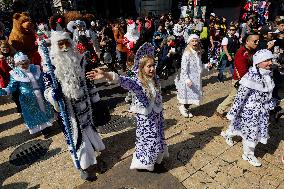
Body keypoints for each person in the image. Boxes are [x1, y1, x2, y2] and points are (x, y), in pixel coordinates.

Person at [86, 43, 169, 172]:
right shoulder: (137, 82)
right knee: (149, 140)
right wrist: (107, 75)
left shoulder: (155, 79)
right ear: (141, 68)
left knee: (158, 137)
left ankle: (155, 160)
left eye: (153, 65)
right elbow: (123, 80)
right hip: (146, 119)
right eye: (149, 66)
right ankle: (149, 164)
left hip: (156, 116)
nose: (152, 69)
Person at [42, 31, 105, 180]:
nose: (64, 47)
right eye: (60, 44)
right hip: (69, 111)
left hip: (85, 106)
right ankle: (84, 166)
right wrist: (52, 94)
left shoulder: (81, 59)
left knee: (90, 131)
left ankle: (95, 159)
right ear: (55, 47)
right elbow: (47, 89)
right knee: (77, 138)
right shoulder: (50, 66)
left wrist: (96, 99)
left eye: (66, 43)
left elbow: (88, 81)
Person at [221, 49, 276, 167]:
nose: (270, 63)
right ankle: (248, 154)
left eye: (270, 59)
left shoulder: (268, 74)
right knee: (251, 134)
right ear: (258, 62)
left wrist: (271, 104)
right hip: (250, 112)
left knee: (241, 128)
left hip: (262, 112)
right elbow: (240, 96)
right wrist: (233, 112)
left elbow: (268, 93)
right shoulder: (250, 76)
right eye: (266, 60)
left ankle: (228, 134)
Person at [0, 52, 55, 135]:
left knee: (45, 110)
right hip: (28, 98)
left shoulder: (35, 68)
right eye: (22, 64)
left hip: (41, 94)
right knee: (36, 114)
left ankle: (48, 126)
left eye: (26, 63)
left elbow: (43, 80)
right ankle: (43, 130)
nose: (25, 65)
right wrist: (5, 90)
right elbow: (12, 86)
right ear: (18, 64)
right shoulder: (15, 73)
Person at [215, 33, 259, 118]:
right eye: (255, 41)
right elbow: (241, 69)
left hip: (248, 78)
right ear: (247, 41)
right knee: (233, 96)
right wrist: (248, 80)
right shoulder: (241, 52)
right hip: (241, 79)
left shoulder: (252, 51)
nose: (257, 43)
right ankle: (220, 110)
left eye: (258, 41)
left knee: (242, 97)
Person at [175, 34, 211, 118]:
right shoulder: (186, 54)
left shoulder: (197, 53)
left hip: (196, 79)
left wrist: (206, 66)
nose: (194, 43)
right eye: (192, 41)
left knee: (195, 95)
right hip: (189, 79)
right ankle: (183, 107)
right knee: (188, 95)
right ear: (189, 42)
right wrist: (187, 80)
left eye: (196, 41)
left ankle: (185, 108)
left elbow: (199, 66)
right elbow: (184, 69)